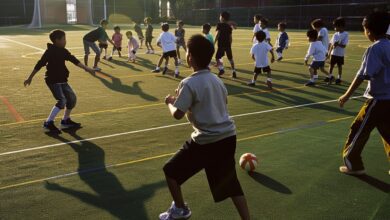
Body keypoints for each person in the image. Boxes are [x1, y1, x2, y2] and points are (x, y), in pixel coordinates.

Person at [160, 34, 250, 220]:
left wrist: (170, 102)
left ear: (190, 56)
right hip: (227, 137)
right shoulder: (217, 80)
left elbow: (177, 114)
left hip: (206, 141)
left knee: (170, 171)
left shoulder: (189, 83)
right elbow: (221, 102)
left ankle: (180, 209)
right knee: (231, 183)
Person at [338, 11, 390, 176]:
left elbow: (363, 75)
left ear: (368, 31)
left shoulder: (375, 49)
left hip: (378, 100)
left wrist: (346, 95)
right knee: (387, 131)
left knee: (358, 130)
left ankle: (354, 164)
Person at [24, 29, 95, 133]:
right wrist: (30, 77)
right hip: (52, 80)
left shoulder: (63, 51)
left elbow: (73, 60)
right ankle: (48, 122)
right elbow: (40, 64)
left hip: (62, 80)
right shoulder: (50, 51)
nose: (65, 41)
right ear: (57, 40)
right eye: (64, 39)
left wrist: (87, 68)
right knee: (62, 100)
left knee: (71, 99)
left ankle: (65, 121)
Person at [327, 17, 349, 85]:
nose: (335, 28)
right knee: (331, 65)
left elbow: (344, 45)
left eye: (336, 27)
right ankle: (330, 77)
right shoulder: (335, 34)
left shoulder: (346, 34)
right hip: (334, 53)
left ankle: (339, 78)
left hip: (340, 54)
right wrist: (329, 53)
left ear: (341, 26)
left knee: (339, 66)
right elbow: (331, 44)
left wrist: (338, 44)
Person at [215, 11, 236, 78]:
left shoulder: (219, 25)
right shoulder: (229, 26)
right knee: (230, 58)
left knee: (218, 57)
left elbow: (217, 34)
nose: (219, 17)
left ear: (222, 18)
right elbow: (230, 36)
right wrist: (230, 43)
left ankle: (221, 69)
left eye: (220, 16)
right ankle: (234, 71)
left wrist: (214, 42)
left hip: (221, 44)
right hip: (228, 44)